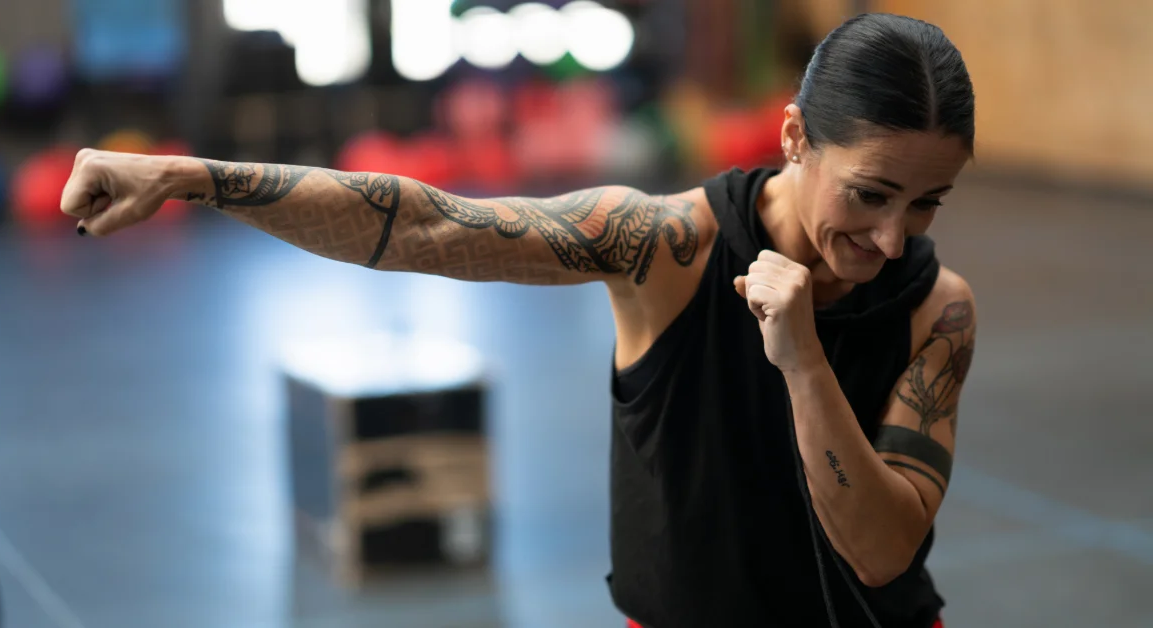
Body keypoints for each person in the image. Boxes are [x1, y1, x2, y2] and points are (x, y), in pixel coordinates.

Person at [61, 12, 976, 628]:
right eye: (871, 194)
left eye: (929, 204)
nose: (894, 240)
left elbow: (884, 550)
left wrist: (804, 362)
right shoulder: (665, 246)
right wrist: (190, 177)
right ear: (793, 141)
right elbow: (426, 223)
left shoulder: (938, 311)